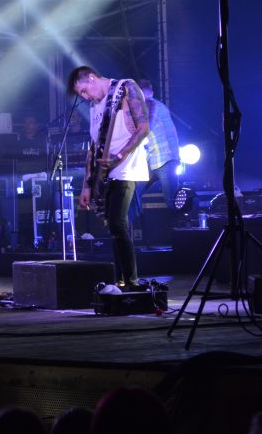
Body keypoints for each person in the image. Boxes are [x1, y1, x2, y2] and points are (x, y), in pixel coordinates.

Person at [68, 66, 149, 290]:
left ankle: (131, 281)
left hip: (126, 169)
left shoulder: (126, 87)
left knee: (117, 223)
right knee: (112, 227)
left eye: (84, 91)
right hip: (105, 174)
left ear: (91, 78)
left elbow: (143, 128)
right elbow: (93, 148)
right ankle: (121, 280)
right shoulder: (95, 107)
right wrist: (86, 186)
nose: (85, 97)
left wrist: (119, 155)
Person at [133, 78, 180, 212]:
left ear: (150, 93)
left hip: (167, 159)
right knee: (134, 193)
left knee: (171, 200)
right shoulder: (144, 109)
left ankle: (180, 223)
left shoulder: (155, 106)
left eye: (142, 94)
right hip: (153, 160)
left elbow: (146, 128)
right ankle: (134, 222)